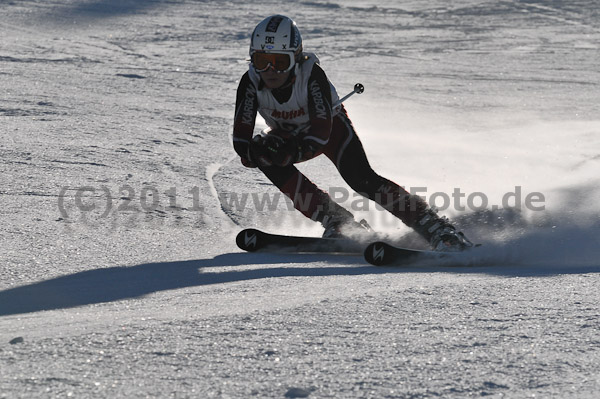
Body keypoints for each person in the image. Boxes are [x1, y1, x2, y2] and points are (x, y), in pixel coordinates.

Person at [232, 15, 473, 251]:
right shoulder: (250, 82)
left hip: (329, 128)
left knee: (361, 179)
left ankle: (436, 227)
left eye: (280, 61)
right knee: (264, 155)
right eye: (262, 60)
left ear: (295, 59)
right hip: (290, 135)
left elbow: (319, 135)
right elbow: (241, 139)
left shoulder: (312, 76)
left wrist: (293, 150)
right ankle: (337, 221)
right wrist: (255, 153)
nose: (270, 70)